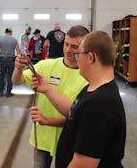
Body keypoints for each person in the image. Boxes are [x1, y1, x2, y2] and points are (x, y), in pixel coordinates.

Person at [30, 31, 126, 168]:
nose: (76, 58)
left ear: (91, 57)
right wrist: (47, 89)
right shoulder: (93, 89)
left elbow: (83, 165)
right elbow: (74, 111)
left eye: (78, 54)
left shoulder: (99, 105)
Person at [12, 25, 89, 168]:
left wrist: (47, 120)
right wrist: (18, 69)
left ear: (85, 48)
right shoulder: (46, 66)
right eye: (66, 44)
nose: (68, 50)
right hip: (42, 139)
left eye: (74, 46)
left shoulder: (88, 77)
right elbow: (16, 81)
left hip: (69, 141)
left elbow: (79, 118)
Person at [0, 27, 20, 97]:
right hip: (11, 60)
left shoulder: (1, 39)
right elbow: (18, 52)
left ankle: (1, 92)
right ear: (11, 32)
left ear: (5, 32)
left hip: (3, 60)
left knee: (2, 76)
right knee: (10, 76)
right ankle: (8, 92)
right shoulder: (14, 40)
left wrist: (1, 53)